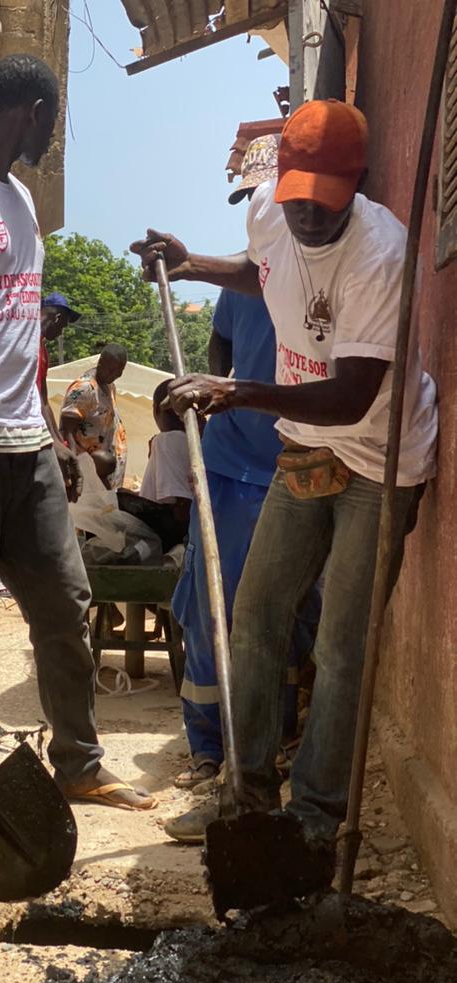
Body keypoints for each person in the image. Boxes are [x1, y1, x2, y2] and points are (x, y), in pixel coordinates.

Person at [132, 100, 437, 872]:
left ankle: (313, 818)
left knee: (341, 645)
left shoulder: (382, 254)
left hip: (379, 457)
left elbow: (351, 398)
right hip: (306, 445)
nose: (304, 214)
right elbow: (263, 274)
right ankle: (247, 797)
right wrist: (192, 260)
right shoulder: (271, 211)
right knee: (257, 613)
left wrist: (240, 391)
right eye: (295, 195)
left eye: (321, 201)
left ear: (356, 183)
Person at [0, 54, 155, 811]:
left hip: (27, 442)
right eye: (55, 121)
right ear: (35, 112)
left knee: (65, 602)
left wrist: (44, 429)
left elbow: (19, 339)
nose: (53, 134)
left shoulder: (19, 203)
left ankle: (78, 761)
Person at [158, 136, 319, 842]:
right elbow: (222, 351)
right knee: (207, 602)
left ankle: (272, 742)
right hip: (227, 464)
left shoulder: (317, 275)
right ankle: (208, 750)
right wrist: (211, 395)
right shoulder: (242, 279)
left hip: (289, 464)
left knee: (278, 614)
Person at [116, 379, 193, 553]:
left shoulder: (168, 440)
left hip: (170, 537)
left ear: (156, 409)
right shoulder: (193, 440)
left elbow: (181, 510)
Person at [60, 343, 128, 490]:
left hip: (104, 471)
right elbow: (67, 430)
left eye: (120, 371)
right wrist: (74, 466)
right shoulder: (84, 388)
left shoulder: (109, 386)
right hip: (87, 471)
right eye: (111, 369)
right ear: (100, 362)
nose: (115, 374)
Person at [38, 292, 82, 497]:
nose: (62, 331)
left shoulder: (42, 349)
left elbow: (44, 399)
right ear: (57, 317)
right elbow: (33, 396)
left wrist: (59, 442)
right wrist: (51, 440)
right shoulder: (28, 342)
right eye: (63, 325)